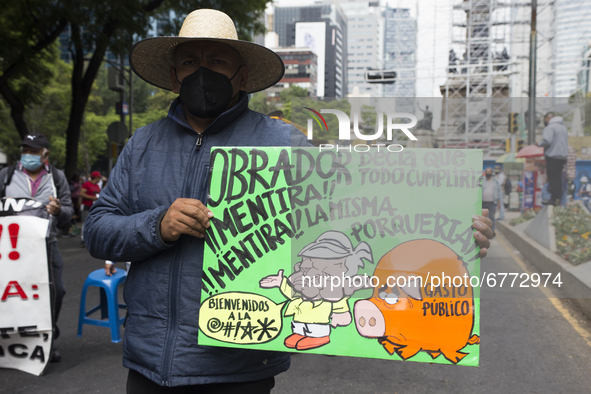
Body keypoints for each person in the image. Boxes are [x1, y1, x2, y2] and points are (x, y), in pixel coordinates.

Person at [83, 9, 494, 392]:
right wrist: (157, 226)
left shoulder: (284, 144)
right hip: (149, 366)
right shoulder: (142, 145)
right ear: (174, 77)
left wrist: (456, 239)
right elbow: (97, 230)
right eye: (190, 62)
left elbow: (357, 222)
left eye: (218, 62)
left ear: (241, 76)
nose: (202, 72)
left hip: (239, 367)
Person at [0, 133, 73, 363]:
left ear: (45, 154)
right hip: (11, 249)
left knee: (55, 291)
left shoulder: (57, 178)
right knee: (11, 293)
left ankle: (46, 339)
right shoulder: (6, 176)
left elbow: (69, 214)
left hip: (46, 246)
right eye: (25, 150)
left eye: (33, 151)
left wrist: (59, 211)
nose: (28, 155)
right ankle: (9, 340)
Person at [537, 112, 568, 206]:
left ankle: (553, 199)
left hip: (553, 156)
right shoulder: (563, 128)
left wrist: (538, 144)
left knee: (552, 177)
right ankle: (556, 198)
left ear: (547, 119)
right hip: (562, 157)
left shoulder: (550, 127)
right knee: (558, 178)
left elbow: (547, 141)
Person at [79, 171, 101, 247]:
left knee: (94, 222)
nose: (99, 179)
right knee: (85, 223)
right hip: (86, 205)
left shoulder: (97, 186)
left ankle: (92, 239)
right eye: (99, 177)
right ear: (96, 177)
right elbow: (81, 194)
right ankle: (83, 239)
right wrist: (93, 198)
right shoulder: (86, 184)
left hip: (94, 206)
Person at [482, 167, 501, 236]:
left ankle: (492, 232)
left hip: (492, 203)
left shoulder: (495, 181)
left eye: (489, 172)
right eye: (487, 171)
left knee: (492, 218)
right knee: (482, 217)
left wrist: (499, 202)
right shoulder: (482, 180)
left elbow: (499, 192)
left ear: (492, 172)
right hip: (483, 202)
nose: (488, 173)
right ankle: (482, 231)